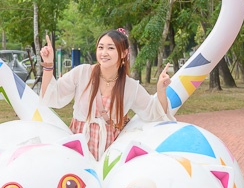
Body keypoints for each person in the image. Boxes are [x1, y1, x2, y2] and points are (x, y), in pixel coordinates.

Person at [39, 28, 173, 161]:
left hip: (110, 153)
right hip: (78, 149)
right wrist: (48, 64)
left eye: (110, 48)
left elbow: (155, 112)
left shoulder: (130, 86)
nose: (104, 53)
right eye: (100, 47)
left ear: (124, 53)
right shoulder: (82, 73)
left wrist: (161, 89)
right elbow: (52, 96)